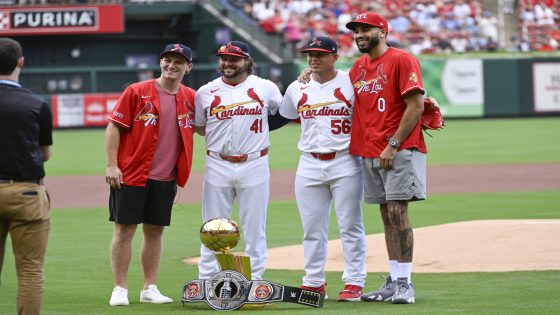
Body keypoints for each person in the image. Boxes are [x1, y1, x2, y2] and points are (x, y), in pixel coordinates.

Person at [105, 43, 196, 306]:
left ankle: (149, 287)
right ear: (160, 63)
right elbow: (113, 128)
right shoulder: (136, 91)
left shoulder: (190, 97)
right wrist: (112, 165)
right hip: (132, 173)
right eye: (167, 60)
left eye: (178, 61)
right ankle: (119, 288)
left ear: (188, 67)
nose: (172, 65)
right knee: (124, 229)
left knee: (155, 231)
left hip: (166, 177)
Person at [345, 13, 427, 304]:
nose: (359, 34)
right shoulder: (358, 67)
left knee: (397, 212)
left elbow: (415, 105)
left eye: (365, 29)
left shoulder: (402, 59)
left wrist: (393, 144)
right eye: (356, 30)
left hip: (398, 150)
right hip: (369, 150)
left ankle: (406, 283)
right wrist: (308, 75)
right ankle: (393, 280)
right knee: (385, 216)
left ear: (382, 31)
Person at [279, 36, 367, 302]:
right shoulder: (297, 86)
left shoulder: (351, 82)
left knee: (350, 225)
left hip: (346, 160)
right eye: (310, 54)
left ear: (334, 57)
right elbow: (282, 116)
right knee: (311, 228)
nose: (314, 59)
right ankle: (314, 281)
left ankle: (354, 281)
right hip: (308, 162)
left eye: (320, 54)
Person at [194, 41, 284, 281]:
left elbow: (283, 112)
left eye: (234, 59)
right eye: (223, 58)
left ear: (247, 61)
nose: (227, 63)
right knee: (212, 227)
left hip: (255, 162)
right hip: (217, 163)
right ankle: (207, 280)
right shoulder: (205, 91)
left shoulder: (266, 88)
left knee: (255, 228)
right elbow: (201, 128)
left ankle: (255, 281)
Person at [0, 37, 53, 315]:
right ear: (21, 62)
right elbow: (45, 153)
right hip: (26, 192)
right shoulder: (36, 103)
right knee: (30, 271)